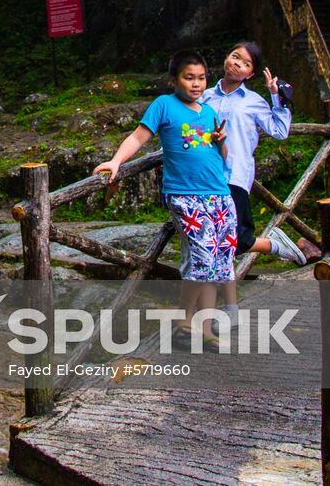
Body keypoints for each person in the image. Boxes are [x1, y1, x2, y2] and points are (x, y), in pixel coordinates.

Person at [95, 50, 233, 348]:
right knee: (203, 258)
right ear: (174, 80)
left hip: (220, 194)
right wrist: (116, 161)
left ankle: (205, 330)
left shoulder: (209, 112)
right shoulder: (164, 105)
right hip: (185, 195)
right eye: (189, 78)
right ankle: (184, 321)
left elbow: (222, 157)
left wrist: (221, 142)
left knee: (218, 263)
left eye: (201, 78)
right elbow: (138, 137)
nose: (196, 84)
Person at [201, 42, 307, 332]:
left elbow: (279, 131)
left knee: (234, 242)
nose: (237, 63)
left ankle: (274, 246)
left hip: (234, 176)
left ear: (250, 74)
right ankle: (229, 310)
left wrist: (275, 97)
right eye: (235, 56)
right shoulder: (205, 96)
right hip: (204, 178)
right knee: (217, 247)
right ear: (227, 58)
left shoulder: (254, 101)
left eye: (245, 63)